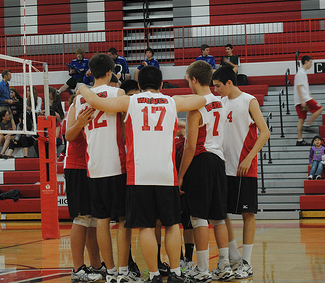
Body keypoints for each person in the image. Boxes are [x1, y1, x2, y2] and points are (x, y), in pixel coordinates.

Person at [77, 64, 206, 283]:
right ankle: (175, 272)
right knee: (172, 224)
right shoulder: (172, 101)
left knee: (146, 226)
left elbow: (96, 102)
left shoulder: (131, 101)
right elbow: (202, 99)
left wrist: (82, 87)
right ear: (162, 84)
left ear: (138, 85)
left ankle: (154, 275)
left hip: (139, 174)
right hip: (166, 174)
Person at [73, 53, 136, 283]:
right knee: (121, 220)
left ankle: (109, 272)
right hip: (116, 164)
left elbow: (71, 133)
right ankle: (122, 271)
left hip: (94, 166)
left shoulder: (80, 99)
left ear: (90, 72)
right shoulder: (117, 93)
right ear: (111, 72)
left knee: (101, 219)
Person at [212, 66, 270, 279]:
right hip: (223, 166)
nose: (215, 90)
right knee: (221, 212)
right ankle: (232, 256)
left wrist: (249, 157)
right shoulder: (220, 103)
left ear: (229, 82)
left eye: (218, 86)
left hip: (244, 167)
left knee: (247, 214)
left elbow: (265, 132)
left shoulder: (249, 100)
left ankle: (246, 262)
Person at [178, 60, 234, 282]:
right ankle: (225, 265)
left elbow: (190, 146)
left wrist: (181, 175)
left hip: (200, 161)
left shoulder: (196, 107)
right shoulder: (220, 101)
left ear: (193, 79)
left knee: (199, 218)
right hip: (218, 161)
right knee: (219, 218)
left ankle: (202, 269)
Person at [64, 93, 106, 282]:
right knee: (81, 218)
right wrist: (80, 122)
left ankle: (96, 265)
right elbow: (68, 135)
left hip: (93, 166)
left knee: (94, 219)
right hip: (77, 166)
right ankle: (77, 269)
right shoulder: (77, 107)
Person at [293, 55, 323, 146]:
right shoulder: (301, 73)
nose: (311, 64)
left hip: (301, 99)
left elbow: (303, 87)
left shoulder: (301, 73)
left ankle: (300, 140)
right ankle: (308, 125)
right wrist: (303, 100)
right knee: (319, 108)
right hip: (304, 99)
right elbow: (298, 87)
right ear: (306, 62)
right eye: (310, 62)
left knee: (301, 119)